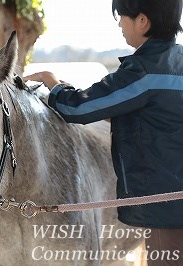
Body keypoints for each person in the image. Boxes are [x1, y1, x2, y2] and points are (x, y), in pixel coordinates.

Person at [24, 0, 183, 265]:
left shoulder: (143, 70)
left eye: (122, 17)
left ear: (142, 21)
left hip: (167, 209)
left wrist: (52, 84)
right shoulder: (176, 62)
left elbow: (79, 108)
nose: (120, 24)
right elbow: (131, 108)